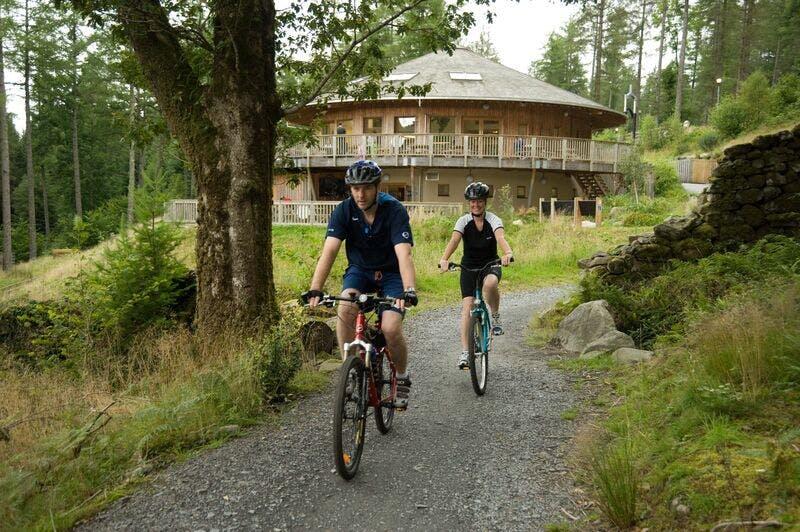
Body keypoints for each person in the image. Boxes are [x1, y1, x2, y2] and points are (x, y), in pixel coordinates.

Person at [306, 160, 418, 409]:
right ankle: (352, 368)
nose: (360, 194)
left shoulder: (394, 210)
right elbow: (329, 251)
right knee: (345, 308)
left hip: (392, 274)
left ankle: (401, 376)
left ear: (377, 187)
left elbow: (404, 255)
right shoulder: (344, 210)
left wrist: (409, 290)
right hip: (359, 271)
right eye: (355, 188)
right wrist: (316, 288)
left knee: (390, 328)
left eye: (366, 187)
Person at [438, 181, 513, 370]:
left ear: (485, 202)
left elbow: (500, 238)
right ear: (468, 203)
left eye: (479, 201)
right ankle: (465, 352)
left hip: (490, 264)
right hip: (469, 267)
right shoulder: (463, 221)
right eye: (472, 202)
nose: (476, 205)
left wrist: (508, 254)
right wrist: (444, 259)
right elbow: (455, 240)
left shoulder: (493, 220)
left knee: (489, 285)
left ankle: (495, 317)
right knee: (467, 308)